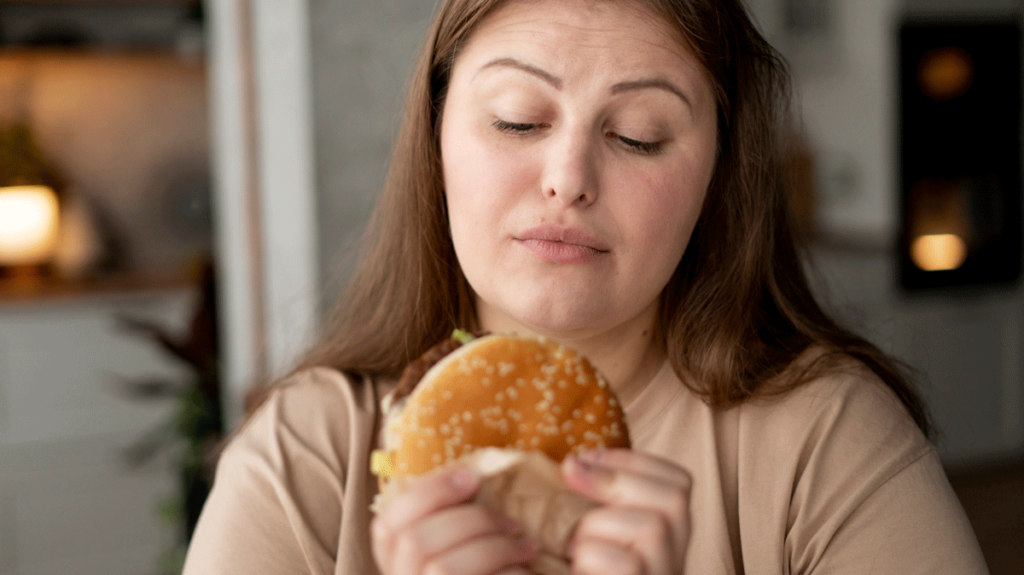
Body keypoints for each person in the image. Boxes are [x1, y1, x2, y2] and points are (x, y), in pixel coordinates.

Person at [182, 0, 989, 573]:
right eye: (518, 119)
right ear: (435, 138)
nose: (567, 179)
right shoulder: (307, 460)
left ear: (717, 172)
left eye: (639, 135)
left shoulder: (827, 443)